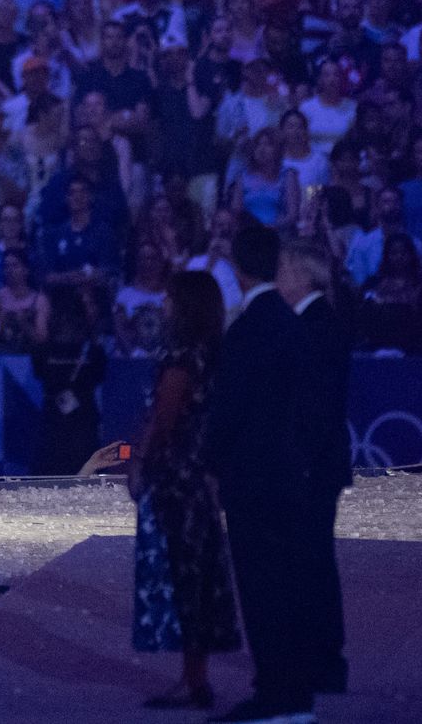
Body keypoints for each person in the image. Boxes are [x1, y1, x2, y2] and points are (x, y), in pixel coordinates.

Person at [204, 225, 314, 723]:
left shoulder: (246, 331)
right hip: (292, 475)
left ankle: (276, 695)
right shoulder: (294, 323)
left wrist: (209, 466)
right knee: (287, 585)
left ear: (237, 268)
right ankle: (291, 693)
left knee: (260, 585)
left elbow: (227, 411)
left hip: (252, 480)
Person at [126, 270, 241, 710]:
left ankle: (193, 679)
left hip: (176, 477)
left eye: (171, 299)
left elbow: (164, 416)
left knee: (182, 574)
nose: (164, 306)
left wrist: (138, 462)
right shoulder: (216, 353)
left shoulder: (180, 358)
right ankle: (197, 676)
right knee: (200, 573)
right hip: (202, 473)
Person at [275, 238, 353, 696]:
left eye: (284, 268)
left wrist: (298, 464)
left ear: (304, 275)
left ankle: (323, 657)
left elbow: (315, 408)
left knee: (312, 560)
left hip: (312, 465)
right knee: (309, 559)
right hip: (312, 463)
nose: (278, 276)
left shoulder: (317, 326)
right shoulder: (311, 323)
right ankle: (318, 654)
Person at [31, 287, 106, 475]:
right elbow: (99, 376)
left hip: (57, 427)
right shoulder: (95, 351)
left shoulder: (44, 351)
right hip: (80, 426)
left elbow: (38, 370)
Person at [357, 232, 422, 355]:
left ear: (411, 255)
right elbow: (363, 319)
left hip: (414, 354)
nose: (399, 257)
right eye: (394, 253)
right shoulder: (372, 285)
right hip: (376, 351)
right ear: (386, 256)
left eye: (403, 253)